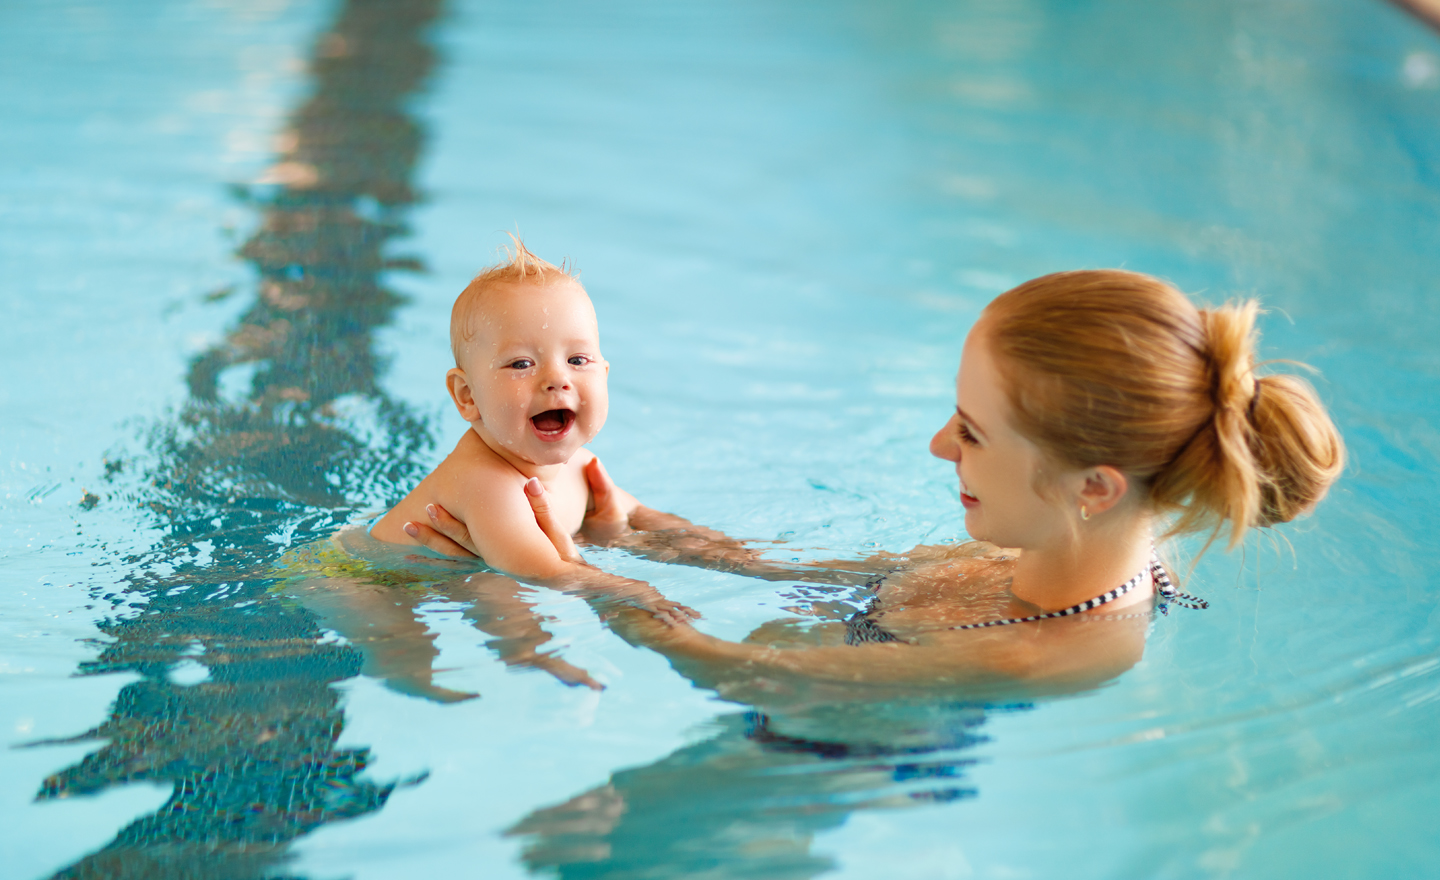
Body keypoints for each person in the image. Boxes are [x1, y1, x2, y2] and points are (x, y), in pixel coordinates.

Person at [409, 269, 1345, 695]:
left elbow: (745, 674)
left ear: (1093, 487)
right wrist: (638, 531)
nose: (940, 446)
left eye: (972, 432)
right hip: (861, 656)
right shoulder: (1061, 545)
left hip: (833, 757)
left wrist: (612, 598)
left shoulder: (1044, 650)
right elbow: (807, 573)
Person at [370, 238, 697, 620]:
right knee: (411, 659)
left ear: (605, 374)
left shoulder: (580, 466)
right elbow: (546, 573)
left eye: (577, 359)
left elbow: (647, 521)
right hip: (368, 586)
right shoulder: (485, 482)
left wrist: (752, 561)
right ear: (467, 395)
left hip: (439, 582)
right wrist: (636, 591)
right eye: (521, 364)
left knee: (500, 599)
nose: (557, 378)